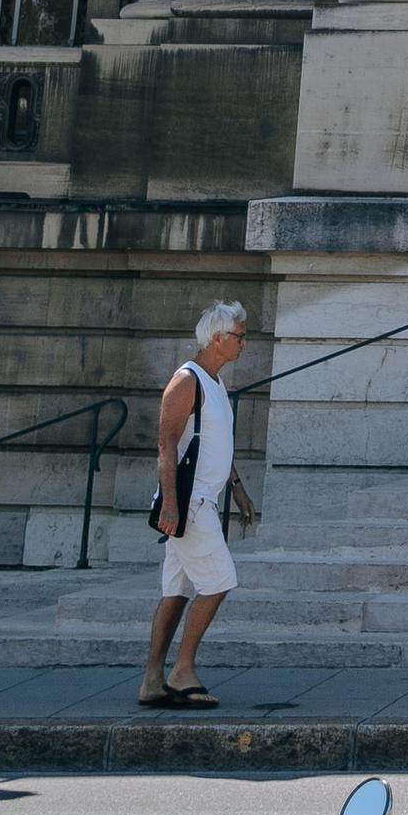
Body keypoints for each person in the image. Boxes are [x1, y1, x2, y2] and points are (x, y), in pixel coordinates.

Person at [140, 298, 254, 709]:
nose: (245, 343)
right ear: (218, 338)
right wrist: (170, 502)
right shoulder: (186, 380)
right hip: (190, 504)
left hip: (202, 500)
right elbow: (166, 444)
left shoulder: (215, 382)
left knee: (177, 592)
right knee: (220, 580)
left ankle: (152, 680)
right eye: (240, 336)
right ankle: (182, 669)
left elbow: (211, 445)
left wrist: (237, 487)